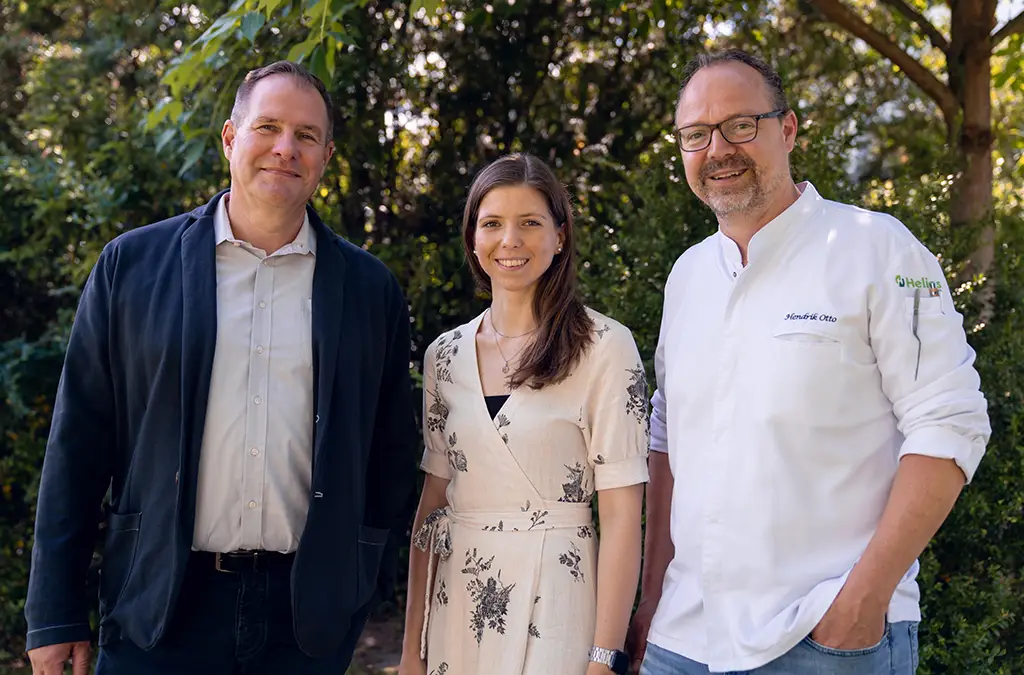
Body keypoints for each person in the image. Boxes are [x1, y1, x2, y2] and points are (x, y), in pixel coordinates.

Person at [24, 60, 418, 675]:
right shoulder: (131, 267)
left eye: (306, 136)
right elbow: (77, 444)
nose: (286, 149)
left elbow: (393, 455)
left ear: (326, 155)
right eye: (268, 127)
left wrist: (362, 573)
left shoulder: (370, 290)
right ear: (231, 139)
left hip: (306, 620)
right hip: (158, 607)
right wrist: (55, 612)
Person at [625, 50, 991, 675]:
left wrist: (862, 602)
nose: (718, 149)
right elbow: (667, 439)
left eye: (741, 125)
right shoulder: (687, 276)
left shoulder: (877, 249)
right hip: (682, 642)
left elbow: (950, 424)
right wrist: (652, 595)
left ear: (788, 129)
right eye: (696, 135)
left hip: (822, 641)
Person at [397, 154, 649, 675]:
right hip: (456, 604)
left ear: (559, 236)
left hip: (557, 604)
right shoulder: (443, 355)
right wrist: (411, 649)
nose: (509, 240)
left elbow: (623, 517)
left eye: (530, 223)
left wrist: (605, 659)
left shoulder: (605, 348)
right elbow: (433, 504)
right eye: (492, 223)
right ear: (472, 238)